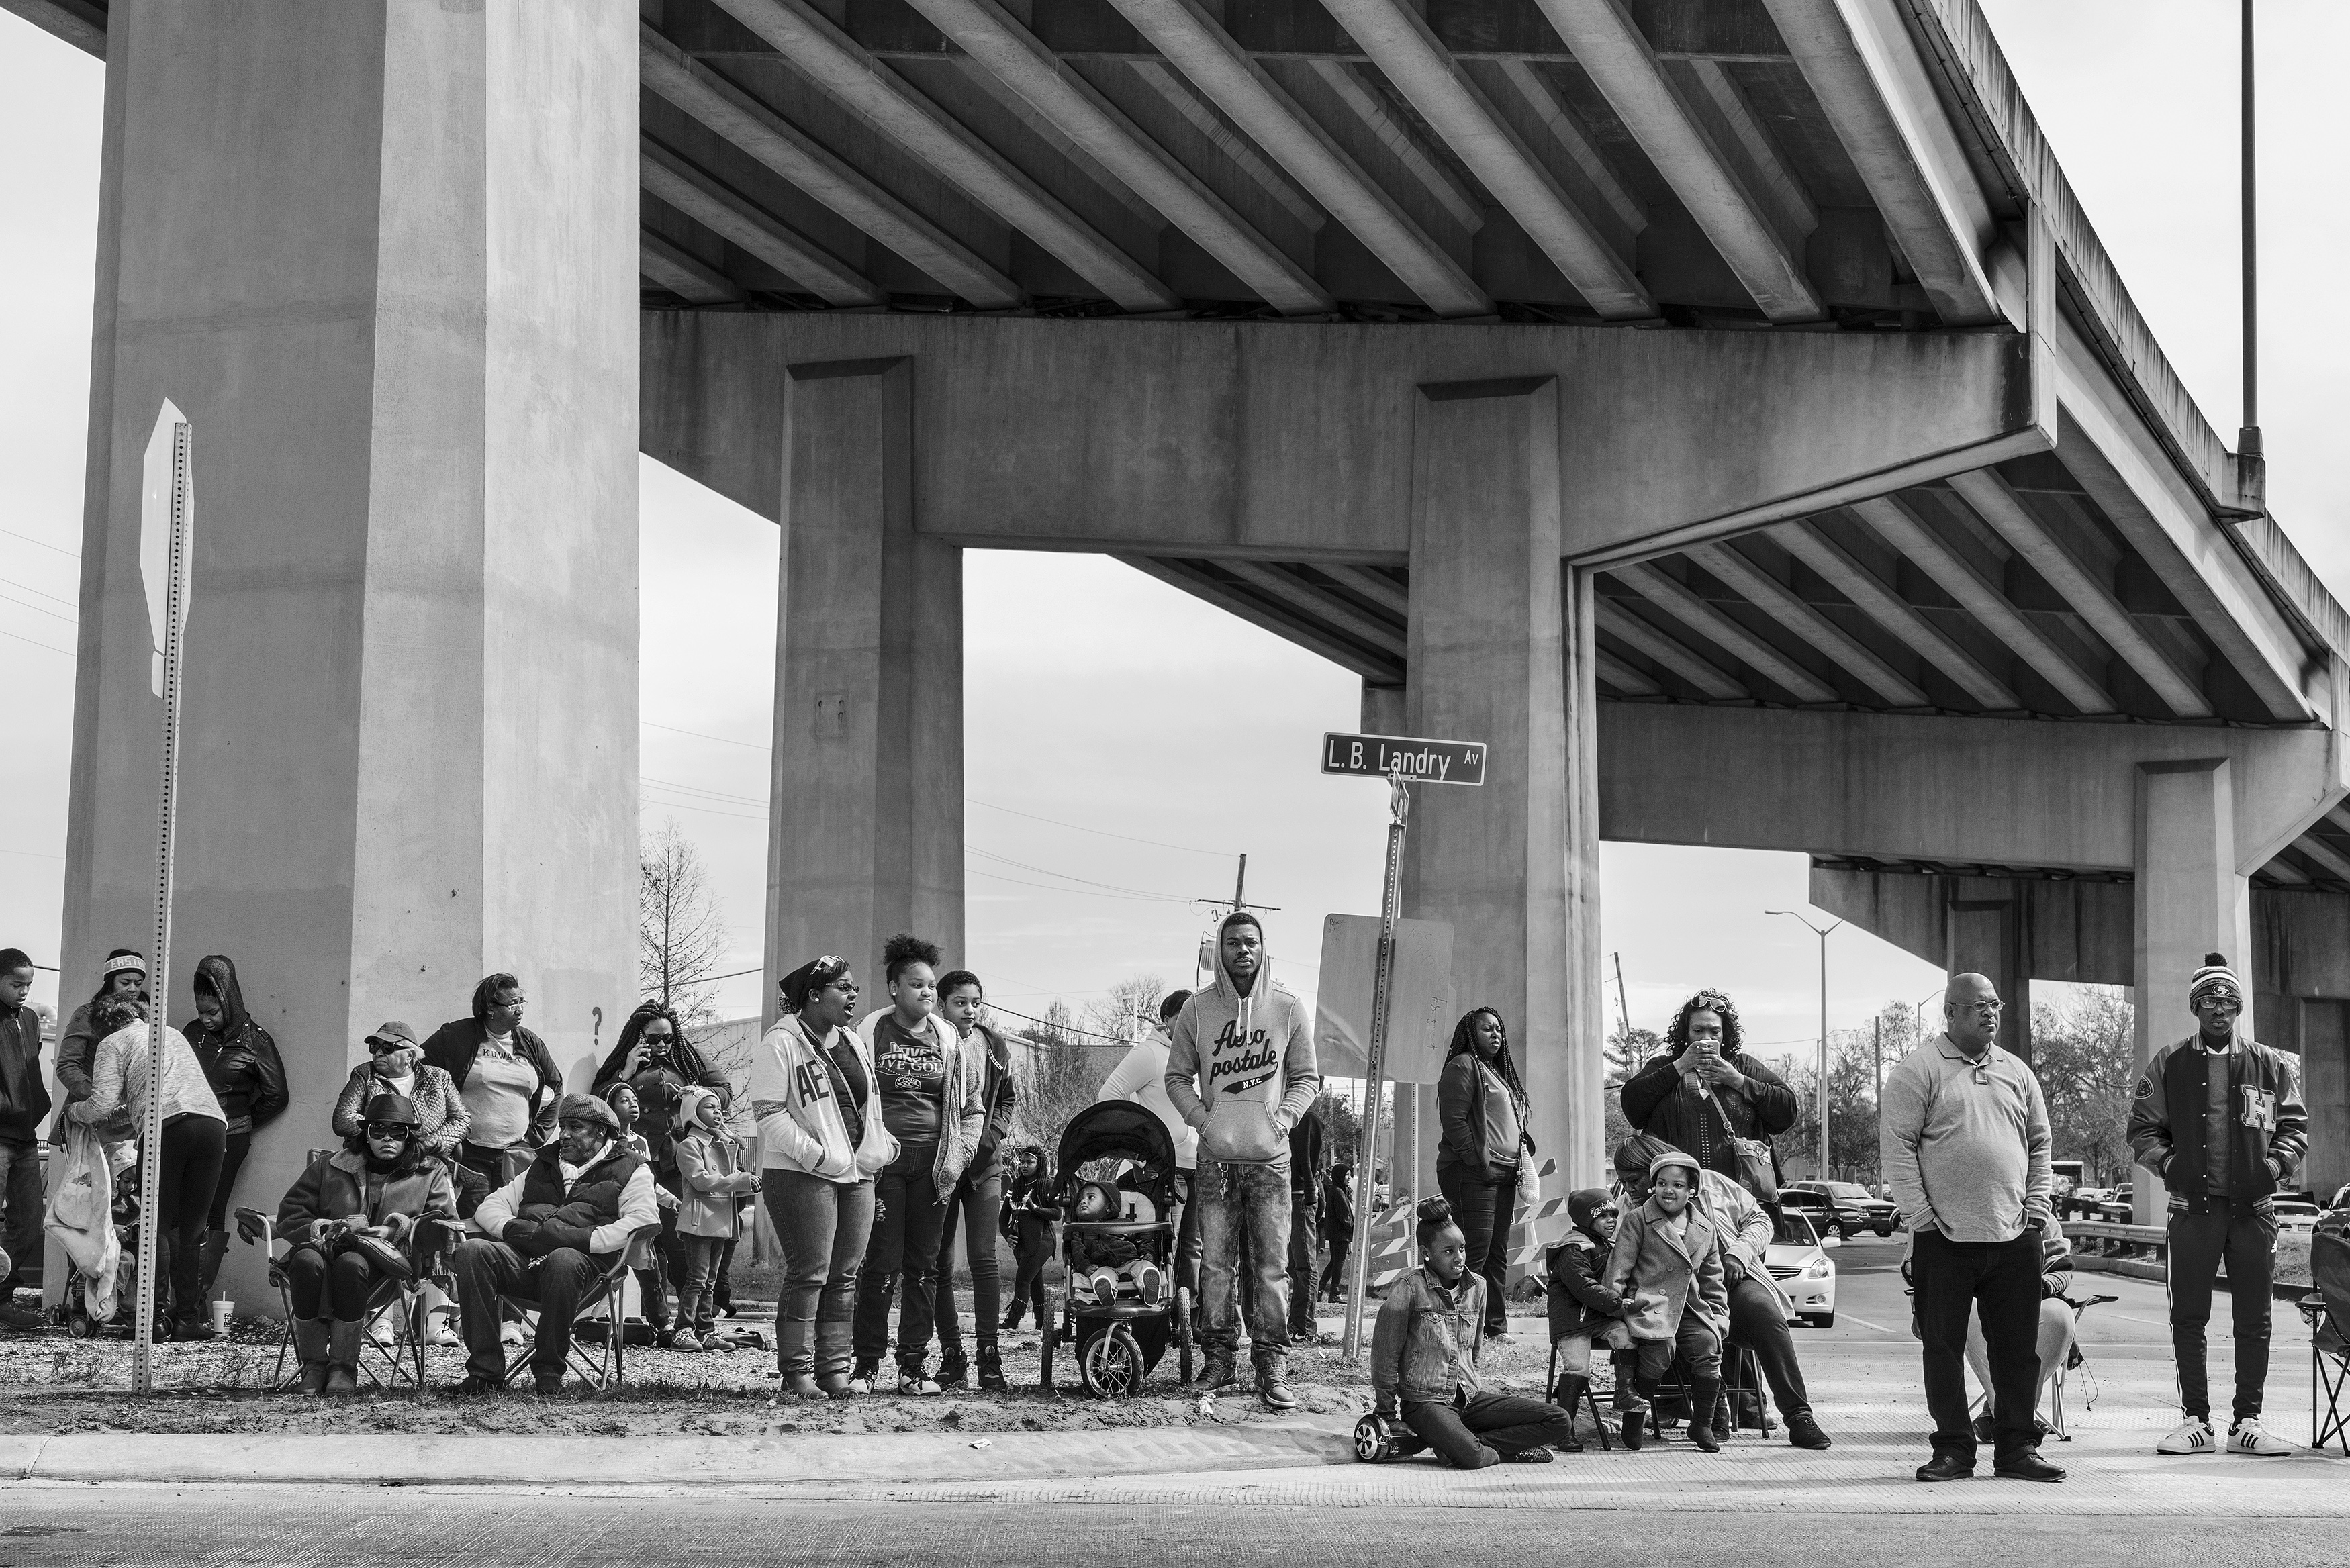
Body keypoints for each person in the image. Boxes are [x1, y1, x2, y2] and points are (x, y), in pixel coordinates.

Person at [1881, 971, 2064, 1484]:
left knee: (2019, 1351)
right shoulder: (1919, 1070)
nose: (1991, 1013)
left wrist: (2037, 1207)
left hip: (2015, 1236)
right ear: (1952, 1012)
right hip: (1945, 1239)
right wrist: (1921, 1220)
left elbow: (2041, 1144)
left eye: (1995, 1005)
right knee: (1942, 1347)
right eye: (1979, 1006)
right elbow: (1898, 1149)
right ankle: (1955, 1451)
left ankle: (2016, 1450)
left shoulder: (2018, 1072)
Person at [2126, 951, 2307, 1457]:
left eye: (2228, 1001)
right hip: (2193, 1210)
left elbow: (2295, 1128)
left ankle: (2247, 1421)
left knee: (2255, 1319)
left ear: (2239, 1008)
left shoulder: (2270, 1065)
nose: (2219, 1010)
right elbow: (2141, 1129)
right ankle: (2196, 1421)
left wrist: (2272, 1169)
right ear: (2195, 1008)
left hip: (2255, 1213)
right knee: (2190, 1318)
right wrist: (2169, 1165)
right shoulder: (2170, 1063)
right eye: (2208, 1001)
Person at [1165, 911, 1320, 1410]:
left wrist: (1284, 1120)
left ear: (1262, 947)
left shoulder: (1289, 1010)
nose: (1243, 951)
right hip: (1214, 1160)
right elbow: (1176, 1078)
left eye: (1250, 942)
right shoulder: (1197, 1011)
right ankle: (1218, 1358)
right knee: (1215, 1267)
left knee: (1272, 1268)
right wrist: (1203, 1122)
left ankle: (1270, 1362)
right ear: (1220, 952)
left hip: (1271, 1161)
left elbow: (1307, 1078)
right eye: (1233, 943)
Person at [1610, 1132, 1831, 1449]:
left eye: (1634, 1179)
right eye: (1623, 1182)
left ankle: (1799, 1416)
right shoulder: (1630, 1210)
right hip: (1667, 1297)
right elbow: (1618, 1260)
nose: (1629, 1188)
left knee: (1767, 1317)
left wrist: (1738, 1253)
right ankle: (1712, 1415)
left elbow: (1760, 1219)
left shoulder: (1711, 1184)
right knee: (1670, 1330)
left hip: (1729, 1280)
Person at [751, 954, 895, 1399]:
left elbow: (866, 1105)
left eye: (854, 988)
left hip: (858, 1174)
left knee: (845, 1274)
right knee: (811, 1271)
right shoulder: (780, 1044)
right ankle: (796, 1375)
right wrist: (816, 1156)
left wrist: (881, 1145)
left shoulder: (853, 1041)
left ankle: (834, 1370)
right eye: (844, 988)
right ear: (814, 995)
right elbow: (768, 1114)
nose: (854, 995)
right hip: (800, 1173)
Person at [450, 1093, 659, 1395]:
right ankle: (485, 1372)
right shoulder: (543, 1162)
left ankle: (549, 1373)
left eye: (575, 1127)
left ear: (601, 1131)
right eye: (562, 1127)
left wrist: (587, 1240)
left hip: (588, 1272)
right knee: (472, 1251)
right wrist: (515, 1229)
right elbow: (490, 1206)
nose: (565, 1135)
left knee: (564, 1257)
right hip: (527, 1262)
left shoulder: (632, 1167)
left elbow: (642, 1220)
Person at [850, 934, 985, 1395]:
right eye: (917, 985)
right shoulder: (869, 1032)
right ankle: (866, 1366)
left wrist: (960, 1155)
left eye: (931, 986)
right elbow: (851, 1102)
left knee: (924, 1269)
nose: (927, 993)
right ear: (894, 988)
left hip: (933, 1170)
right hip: (885, 1167)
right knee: (881, 1267)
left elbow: (972, 1108)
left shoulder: (949, 1038)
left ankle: (913, 1368)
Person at [1370, 1195, 1574, 1467]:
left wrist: (1472, 1390)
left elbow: (1474, 1348)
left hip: (1469, 1398)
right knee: (1471, 1458)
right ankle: (1483, 1448)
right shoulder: (1408, 1289)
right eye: (1449, 1251)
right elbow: (1385, 1356)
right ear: (1426, 1253)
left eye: (1462, 1249)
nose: (1459, 1258)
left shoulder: (1477, 1286)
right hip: (1426, 1404)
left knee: (1559, 1419)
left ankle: (1464, 1442)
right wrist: (1386, 1414)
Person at [275, 1092, 457, 1394]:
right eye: (378, 1130)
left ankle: (342, 1370)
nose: (388, 1138)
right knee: (306, 1261)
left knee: (352, 1264)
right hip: (325, 1251)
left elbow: (444, 1223)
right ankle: (314, 1367)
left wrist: (397, 1229)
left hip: (386, 1264)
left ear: (410, 1135)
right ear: (366, 1134)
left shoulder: (429, 1171)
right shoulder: (330, 1166)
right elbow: (290, 1213)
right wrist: (321, 1228)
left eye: (398, 1131)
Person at [71, 995, 228, 1339]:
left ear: (103, 1029)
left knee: (153, 1226)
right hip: (213, 1125)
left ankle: (150, 1320)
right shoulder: (171, 1033)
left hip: (166, 1129)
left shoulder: (112, 1043)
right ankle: (188, 1321)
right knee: (193, 1229)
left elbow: (102, 1103)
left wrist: (73, 1114)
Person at [591, 1001, 733, 1338]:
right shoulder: (624, 1062)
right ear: (639, 1036)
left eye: (668, 1038)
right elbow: (597, 1101)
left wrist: (699, 1096)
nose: (662, 1046)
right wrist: (624, 1074)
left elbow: (724, 1091)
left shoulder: (687, 1060)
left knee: (683, 1238)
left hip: (680, 1161)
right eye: (654, 1039)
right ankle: (661, 1322)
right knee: (646, 1244)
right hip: (635, 1162)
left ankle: (695, 1321)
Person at [181, 954, 289, 1301]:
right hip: (187, 1132)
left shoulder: (257, 1041)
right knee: (178, 1208)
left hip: (229, 1137)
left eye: (212, 1012)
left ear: (229, 1003)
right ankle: (172, 1294)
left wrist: (241, 1122)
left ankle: (195, 1297)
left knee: (211, 1208)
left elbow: (277, 1095)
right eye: (200, 1012)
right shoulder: (191, 1033)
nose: (206, 1019)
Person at [1605, 1150, 1730, 1452]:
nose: (1668, 1191)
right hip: (1649, 1304)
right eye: (1662, 1183)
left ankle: (1701, 1423)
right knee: (1661, 1347)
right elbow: (1618, 1269)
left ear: (1691, 1191)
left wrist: (1719, 1316)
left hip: (1690, 1308)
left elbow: (1713, 1280)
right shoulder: (1638, 1220)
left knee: (1707, 1345)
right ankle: (1636, 1416)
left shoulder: (1704, 1228)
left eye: (1677, 1185)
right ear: (1654, 1186)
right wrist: (1614, 1305)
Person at [927, 970, 1015, 1391]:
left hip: (983, 1165)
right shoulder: (928, 1042)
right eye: (960, 1002)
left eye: (975, 1003)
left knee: (984, 1259)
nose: (969, 1010)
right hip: (940, 1167)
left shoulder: (993, 1046)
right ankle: (952, 1353)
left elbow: (1007, 1100)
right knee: (939, 1262)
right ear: (941, 1004)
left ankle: (988, 1354)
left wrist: (991, 1136)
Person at [1619, 989, 1797, 1195]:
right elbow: (1633, 1106)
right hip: (1676, 1206)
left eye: (1714, 1032)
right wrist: (1682, 1065)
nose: (1706, 1038)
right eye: (1698, 1031)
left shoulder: (1744, 1066)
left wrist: (1737, 1080)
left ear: (1724, 1034)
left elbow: (1787, 1111)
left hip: (1739, 1202)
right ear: (1685, 1034)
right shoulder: (1664, 1065)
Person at [1436, 1007, 1534, 1340]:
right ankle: (1459, 1328)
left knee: (1496, 1254)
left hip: (1504, 1175)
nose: (1496, 1035)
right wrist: (1479, 1162)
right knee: (1473, 1252)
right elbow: (1454, 1122)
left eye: (1499, 1029)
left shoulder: (1495, 1071)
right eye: (1487, 1029)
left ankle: (1494, 1327)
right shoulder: (1464, 1065)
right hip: (1472, 1174)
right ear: (1470, 1033)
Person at [1098, 989, 1200, 1299]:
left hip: (1200, 1163)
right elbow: (1109, 1095)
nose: (1190, 1024)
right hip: (1163, 1168)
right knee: (1164, 1243)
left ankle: (1188, 1318)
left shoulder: (1201, 1056)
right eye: (1182, 1017)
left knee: (1192, 1247)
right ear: (1166, 1020)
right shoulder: (1151, 1053)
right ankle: (1160, 1312)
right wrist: (1138, 1147)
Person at [424, 973, 564, 1190]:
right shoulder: (456, 1036)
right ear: (490, 1007)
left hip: (518, 1155)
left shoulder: (530, 1042)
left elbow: (555, 1087)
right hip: (470, 1155)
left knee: (512, 1219)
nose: (520, 1010)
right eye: (512, 1004)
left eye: (521, 1002)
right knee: (473, 1220)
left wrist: (535, 1137)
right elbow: (420, 1068)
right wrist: (442, 1130)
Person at [1965, 1228, 2078, 1444]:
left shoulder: (2043, 1219)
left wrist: (2039, 1289)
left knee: (2059, 1315)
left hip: (2039, 1299)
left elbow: (2062, 1268)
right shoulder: (1980, 1218)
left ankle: (1998, 1414)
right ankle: (2017, 1420)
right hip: (1986, 1299)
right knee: (1970, 1309)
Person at [671, 1085, 758, 1351]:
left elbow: (728, 1180)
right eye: (709, 1107)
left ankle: (706, 1330)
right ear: (693, 1114)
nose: (718, 1111)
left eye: (720, 1108)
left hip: (721, 1222)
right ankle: (683, 1330)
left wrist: (748, 1183)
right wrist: (741, 1179)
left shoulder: (720, 1144)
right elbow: (702, 1181)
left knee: (710, 1281)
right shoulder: (690, 1145)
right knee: (697, 1279)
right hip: (699, 1222)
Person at [597, 1080, 682, 1346]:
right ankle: (585, 1320)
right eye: (624, 1100)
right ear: (609, 1108)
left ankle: (663, 1326)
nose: (633, 1104)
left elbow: (649, 1182)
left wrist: (669, 1200)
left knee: (651, 1271)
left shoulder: (642, 1142)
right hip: (612, 1220)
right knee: (607, 1272)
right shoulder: (603, 1143)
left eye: (635, 1099)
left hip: (640, 1221)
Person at [1543, 1187, 1628, 1448]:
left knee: (1627, 1338)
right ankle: (1564, 1430)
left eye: (1614, 1214)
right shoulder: (1574, 1248)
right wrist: (1616, 1302)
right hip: (1573, 1320)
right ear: (1586, 1220)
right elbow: (1582, 1286)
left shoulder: (1607, 1245)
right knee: (1578, 1368)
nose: (1611, 1220)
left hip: (1599, 1315)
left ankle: (1626, 1391)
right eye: (1603, 1216)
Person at [332, 1021, 471, 1161]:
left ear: (409, 1056)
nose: (378, 1053)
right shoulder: (364, 1074)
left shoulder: (439, 1077)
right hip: (374, 1160)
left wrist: (432, 1143)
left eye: (387, 1048)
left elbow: (461, 1119)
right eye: (375, 1047)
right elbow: (343, 1118)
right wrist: (385, 1134)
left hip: (426, 1159)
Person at [0, 949, 47, 1328]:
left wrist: (38, 1108)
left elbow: (31, 1071)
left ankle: (2, 1298)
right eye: (17, 984)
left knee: (31, 1221)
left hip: (26, 1137)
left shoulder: (29, 1019)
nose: (24, 992)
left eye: (29, 985)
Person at [54, 950, 147, 1132]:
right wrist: (101, 1096)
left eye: (138, 983)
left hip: (132, 1117)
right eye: (125, 983)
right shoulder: (87, 1014)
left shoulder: (146, 1017)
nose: (132, 989)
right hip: (94, 1118)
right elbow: (67, 1066)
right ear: (110, 982)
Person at [998, 1145, 1056, 1331]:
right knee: (1035, 1282)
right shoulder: (1016, 1184)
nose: (1024, 1165)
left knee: (1023, 1280)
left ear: (1039, 1165)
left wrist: (1034, 1207)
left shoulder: (1048, 1184)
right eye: (1022, 1162)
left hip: (1043, 1239)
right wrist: (1008, 1236)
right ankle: (1044, 1324)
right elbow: (1003, 1217)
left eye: (1029, 1162)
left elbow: (1057, 1214)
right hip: (1021, 1241)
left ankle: (1012, 1321)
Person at [1285, 1098, 1327, 1341]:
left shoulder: (1308, 1121)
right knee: (1297, 1265)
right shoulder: (1297, 1119)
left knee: (1305, 1264)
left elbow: (1308, 1165)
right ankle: (1300, 1323)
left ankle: (1303, 1325)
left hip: (1299, 1196)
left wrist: (1311, 1188)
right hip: (1291, 1195)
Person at [1318, 1158, 1355, 1303]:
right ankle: (1335, 1294)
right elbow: (1344, 1217)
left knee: (1334, 1262)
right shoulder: (1338, 1192)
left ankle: (1320, 1291)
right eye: (1346, 1175)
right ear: (1340, 1176)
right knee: (1339, 1263)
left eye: (1350, 1174)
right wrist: (1353, 1229)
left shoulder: (1338, 1190)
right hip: (1340, 1234)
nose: (1349, 1177)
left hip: (1336, 1233)